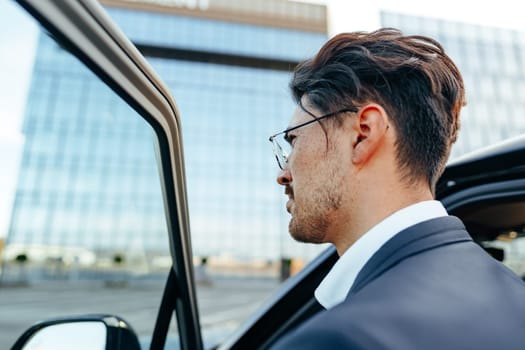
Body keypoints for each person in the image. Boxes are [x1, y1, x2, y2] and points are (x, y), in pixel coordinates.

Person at [268, 28, 525, 349]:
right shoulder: (513, 292)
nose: (284, 173)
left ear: (363, 134)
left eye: (293, 141)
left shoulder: (343, 338)